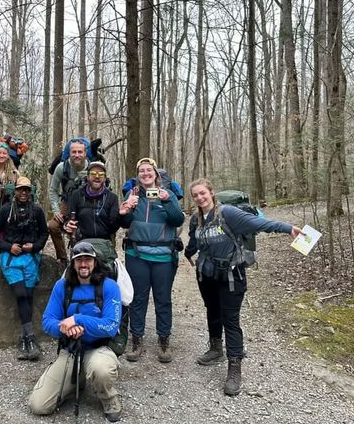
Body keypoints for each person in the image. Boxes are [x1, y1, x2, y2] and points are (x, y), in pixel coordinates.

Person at [184, 178, 304, 396]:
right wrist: (187, 253)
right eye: (195, 195)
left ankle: (234, 367)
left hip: (232, 275)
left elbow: (259, 224)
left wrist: (288, 229)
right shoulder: (196, 219)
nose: (200, 198)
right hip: (207, 275)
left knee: (230, 319)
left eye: (203, 193)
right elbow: (195, 241)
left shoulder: (228, 213)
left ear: (212, 193)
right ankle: (215, 349)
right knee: (213, 312)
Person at [29, 241, 122, 422]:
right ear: (72, 263)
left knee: (101, 370)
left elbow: (111, 326)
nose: (83, 264)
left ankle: (109, 398)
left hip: (97, 349)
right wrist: (65, 328)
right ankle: (77, 379)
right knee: (38, 405)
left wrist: (78, 320)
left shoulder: (109, 286)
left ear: (95, 262)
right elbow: (47, 322)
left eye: (88, 259)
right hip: (70, 350)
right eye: (79, 260)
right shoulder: (62, 286)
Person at [119, 157, 184, 363]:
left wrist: (167, 201)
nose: (146, 174)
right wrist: (127, 209)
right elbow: (124, 223)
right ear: (138, 176)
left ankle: (164, 340)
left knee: (163, 299)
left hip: (164, 256)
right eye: (142, 171)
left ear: (156, 174)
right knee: (138, 298)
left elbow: (178, 220)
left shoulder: (169, 194)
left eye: (149, 171)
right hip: (136, 254)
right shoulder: (133, 193)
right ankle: (136, 339)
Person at [0, 176, 48, 361]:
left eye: (26, 190)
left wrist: (35, 246)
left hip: (30, 257)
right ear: (14, 191)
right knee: (21, 294)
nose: (23, 193)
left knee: (29, 296)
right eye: (20, 189)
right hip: (11, 257)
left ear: (30, 192)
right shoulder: (6, 210)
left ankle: (26, 339)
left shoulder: (36, 210)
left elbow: (44, 233)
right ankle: (30, 337)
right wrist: (8, 246)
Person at [64, 161, 120, 262]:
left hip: (104, 244)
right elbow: (68, 218)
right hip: (81, 243)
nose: (97, 177)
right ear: (88, 176)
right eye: (93, 174)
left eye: (101, 174)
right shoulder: (76, 195)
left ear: (105, 178)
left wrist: (120, 215)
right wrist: (68, 225)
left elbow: (114, 227)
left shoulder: (112, 198)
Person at [48, 139, 89, 265]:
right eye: (74, 152)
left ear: (85, 153)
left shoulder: (92, 167)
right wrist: (56, 211)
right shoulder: (62, 168)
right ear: (69, 153)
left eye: (80, 152)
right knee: (53, 226)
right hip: (66, 203)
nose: (77, 155)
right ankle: (63, 259)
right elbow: (53, 190)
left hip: (86, 203)